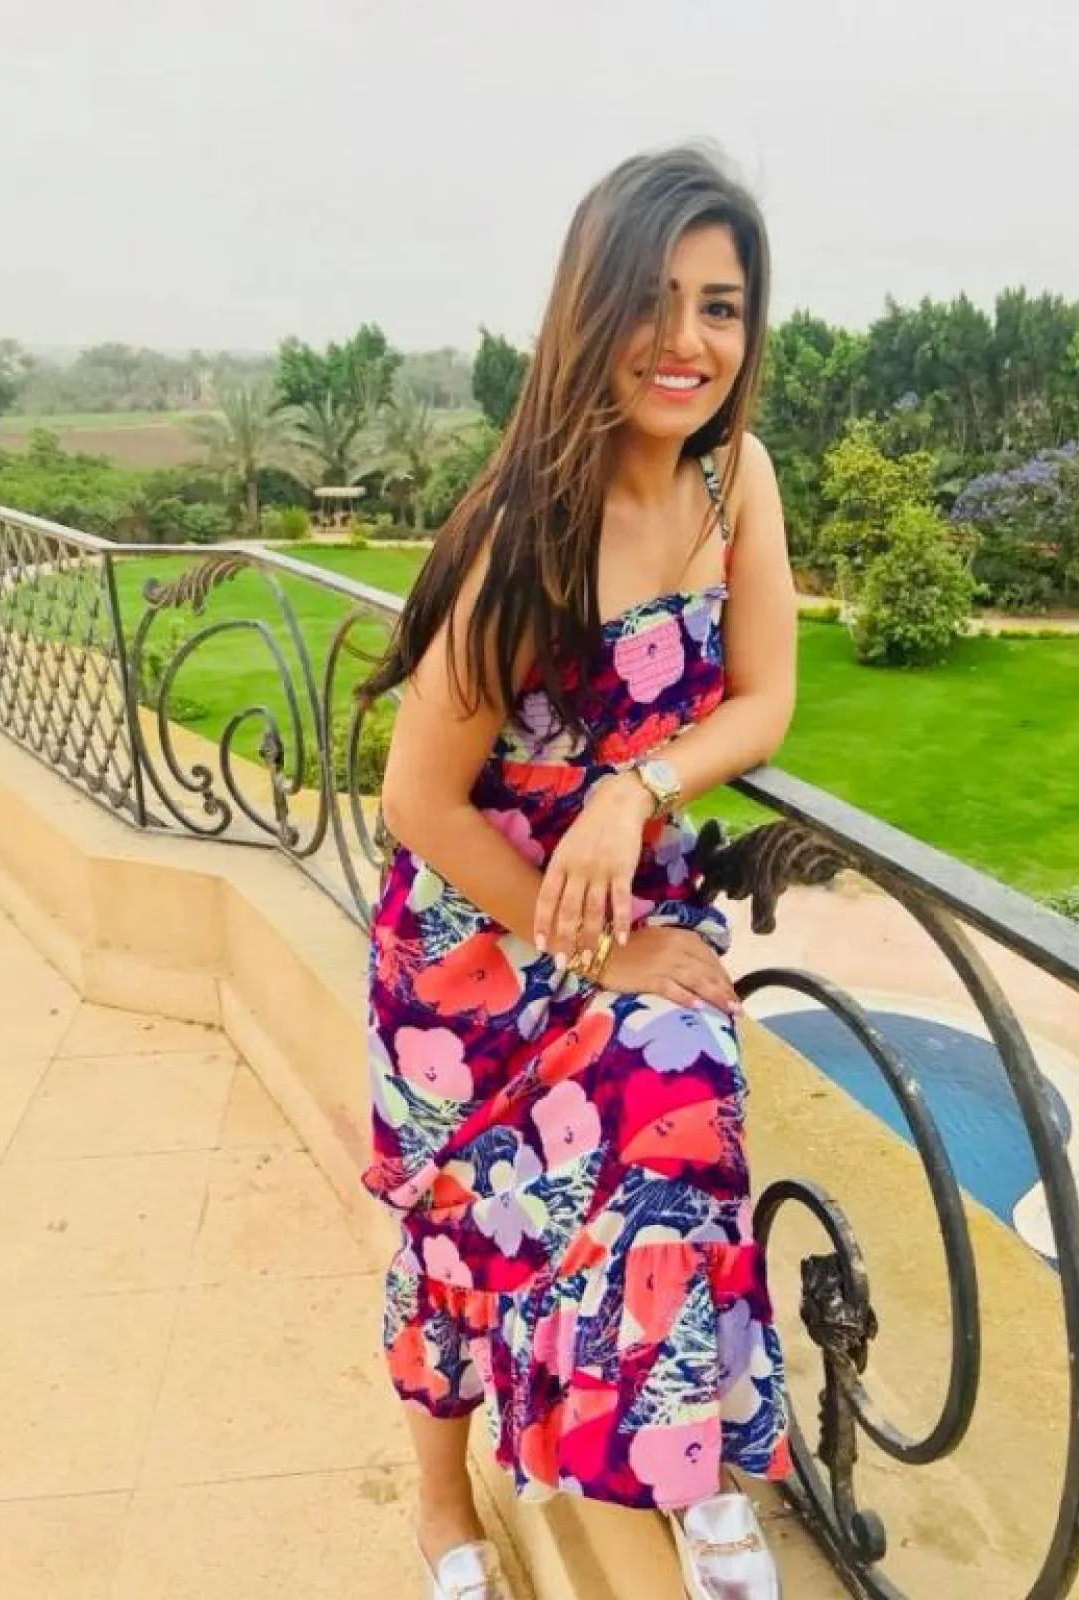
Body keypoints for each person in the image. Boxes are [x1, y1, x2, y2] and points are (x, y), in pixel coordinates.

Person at [360, 144, 798, 1600]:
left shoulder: (736, 480)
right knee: (461, 1231)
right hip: (477, 941)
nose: (688, 342)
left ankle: (683, 1474)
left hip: (617, 901)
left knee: (686, 1103)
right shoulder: (523, 532)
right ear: (587, 311)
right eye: (654, 302)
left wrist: (636, 786)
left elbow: (763, 700)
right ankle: (442, 1501)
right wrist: (595, 951)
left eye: (720, 307)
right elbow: (419, 797)